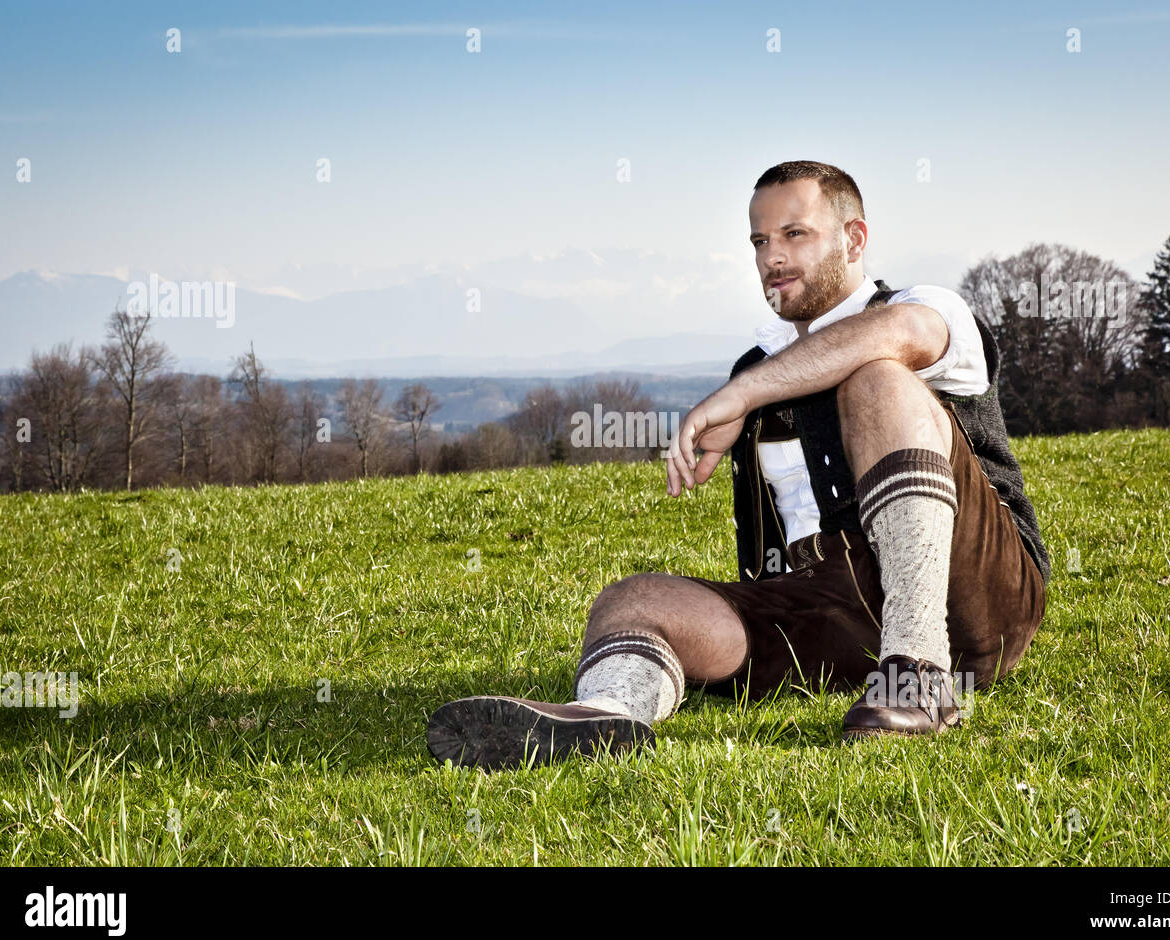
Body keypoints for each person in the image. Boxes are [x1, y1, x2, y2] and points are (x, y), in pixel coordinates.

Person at [427, 160, 1050, 770]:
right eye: (759, 241)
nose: (770, 258)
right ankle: (606, 714)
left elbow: (896, 334)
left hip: (975, 595)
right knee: (635, 598)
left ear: (854, 237)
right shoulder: (759, 361)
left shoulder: (923, 307)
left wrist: (746, 393)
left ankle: (918, 674)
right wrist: (749, 388)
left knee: (877, 380)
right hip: (831, 609)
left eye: (794, 235)